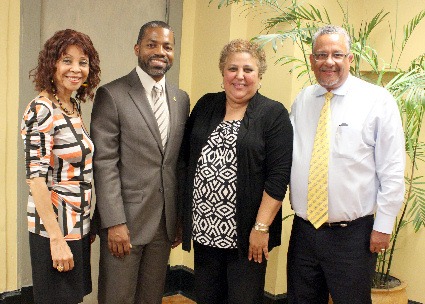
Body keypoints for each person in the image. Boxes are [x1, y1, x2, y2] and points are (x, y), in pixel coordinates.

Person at [288, 25, 405, 304]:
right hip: (304, 232)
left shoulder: (377, 101)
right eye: (321, 54)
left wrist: (384, 225)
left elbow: (392, 170)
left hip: (352, 238)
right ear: (312, 60)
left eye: (337, 54)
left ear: (350, 59)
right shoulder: (303, 100)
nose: (329, 61)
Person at [179, 39, 293, 304]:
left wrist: (261, 228)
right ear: (222, 73)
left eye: (248, 70)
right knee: (207, 298)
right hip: (206, 230)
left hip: (248, 237)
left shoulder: (273, 114)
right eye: (232, 69)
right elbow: (186, 160)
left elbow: (278, 177)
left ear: (259, 76)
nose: (240, 76)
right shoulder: (206, 105)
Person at [90, 20, 190, 304]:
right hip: (125, 222)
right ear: (137, 49)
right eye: (152, 44)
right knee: (117, 297)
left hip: (164, 222)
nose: (160, 51)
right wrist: (114, 221)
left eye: (167, 46)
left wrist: (180, 217)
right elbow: (104, 163)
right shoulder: (113, 95)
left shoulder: (180, 99)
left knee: (151, 298)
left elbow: (177, 163)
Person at [20, 29, 101, 304]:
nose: (76, 69)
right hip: (55, 228)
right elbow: (36, 180)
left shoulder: (71, 105)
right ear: (52, 64)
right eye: (67, 60)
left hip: (77, 223)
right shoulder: (42, 109)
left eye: (83, 61)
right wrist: (56, 239)